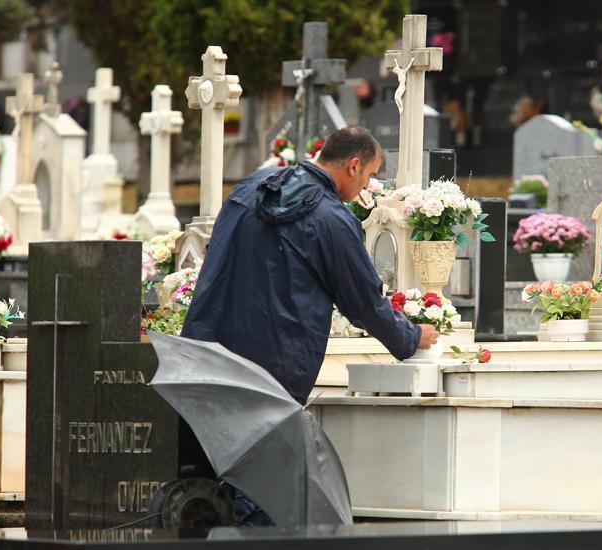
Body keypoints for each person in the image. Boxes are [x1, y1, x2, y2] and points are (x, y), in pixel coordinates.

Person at [182, 127, 440, 406]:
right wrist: (411, 337)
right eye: (370, 175)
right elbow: (362, 302)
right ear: (354, 166)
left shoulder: (253, 186)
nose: (367, 185)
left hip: (209, 350)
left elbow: (217, 251)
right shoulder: (332, 219)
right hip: (274, 367)